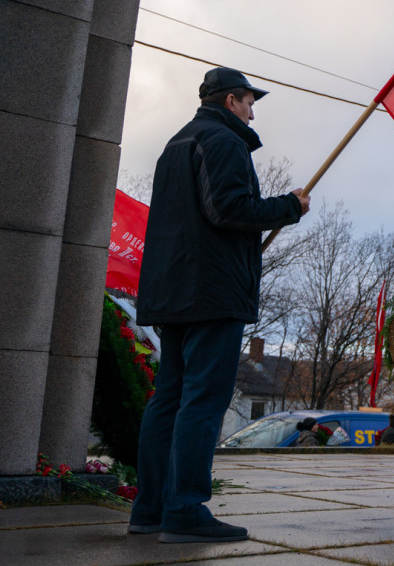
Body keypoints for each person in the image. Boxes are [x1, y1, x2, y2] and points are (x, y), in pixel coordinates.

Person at [131, 68, 309, 543]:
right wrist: (288, 206)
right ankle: (185, 510)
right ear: (231, 100)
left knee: (168, 397)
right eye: (250, 102)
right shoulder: (224, 141)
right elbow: (228, 209)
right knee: (202, 400)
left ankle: (149, 509)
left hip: (174, 290)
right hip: (210, 292)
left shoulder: (177, 143)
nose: (253, 112)